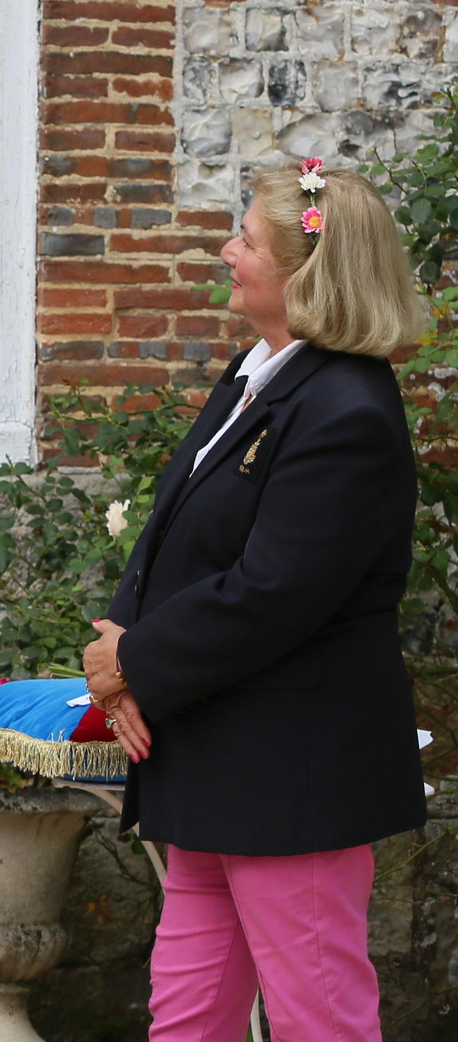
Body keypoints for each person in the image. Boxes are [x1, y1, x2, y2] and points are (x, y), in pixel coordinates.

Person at [84, 160, 430, 1042]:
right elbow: (170, 528)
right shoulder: (259, 372)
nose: (226, 250)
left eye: (246, 238)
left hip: (291, 780)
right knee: (188, 1019)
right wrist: (121, 659)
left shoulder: (348, 408)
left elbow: (276, 590)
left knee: (320, 1021)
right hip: (209, 761)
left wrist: (133, 661)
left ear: (304, 273)